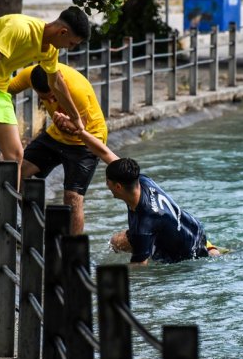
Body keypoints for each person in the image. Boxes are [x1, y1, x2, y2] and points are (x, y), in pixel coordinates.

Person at [52, 111, 220, 265]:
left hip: (184, 256)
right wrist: (79, 132)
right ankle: (211, 250)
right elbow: (104, 153)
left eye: (107, 182)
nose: (106, 185)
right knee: (116, 243)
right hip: (195, 230)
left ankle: (210, 253)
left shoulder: (144, 225)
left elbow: (139, 268)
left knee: (141, 254)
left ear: (118, 186)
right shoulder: (140, 180)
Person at [0, 7, 90, 185]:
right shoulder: (20, 28)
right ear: (62, 32)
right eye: (71, 44)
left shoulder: (50, 50)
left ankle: (8, 211)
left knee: (16, 155)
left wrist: (76, 118)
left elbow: (55, 83)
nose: (69, 49)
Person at [7, 62, 107, 234]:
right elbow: (4, 89)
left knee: (73, 197)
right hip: (55, 136)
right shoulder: (31, 74)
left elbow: (79, 129)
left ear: (58, 82)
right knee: (19, 172)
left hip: (86, 141)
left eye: (54, 96)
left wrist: (67, 124)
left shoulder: (77, 89)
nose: (52, 101)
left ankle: (72, 251)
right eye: (46, 98)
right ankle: (34, 229)